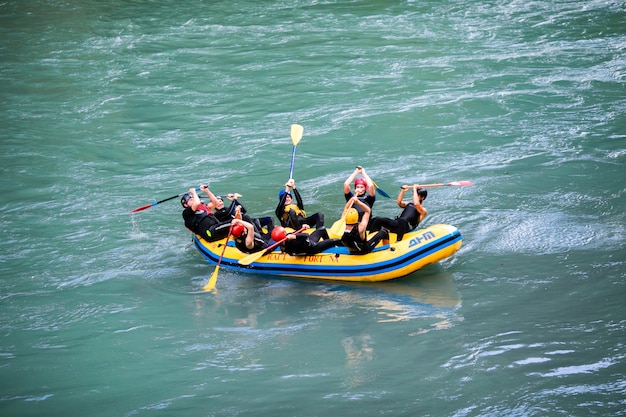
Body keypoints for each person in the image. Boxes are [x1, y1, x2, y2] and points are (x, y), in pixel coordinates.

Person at [272, 225, 340, 256]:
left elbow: (296, 233)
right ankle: (349, 248)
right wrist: (295, 236)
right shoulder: (290, 246)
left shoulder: (287, 237)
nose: (286, 232)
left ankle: (329, 245)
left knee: (322, 229)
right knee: (334, 240)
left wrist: (302, 228)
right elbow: (305, 235)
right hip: (312, 248)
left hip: (309, 242)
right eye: (284, 232)